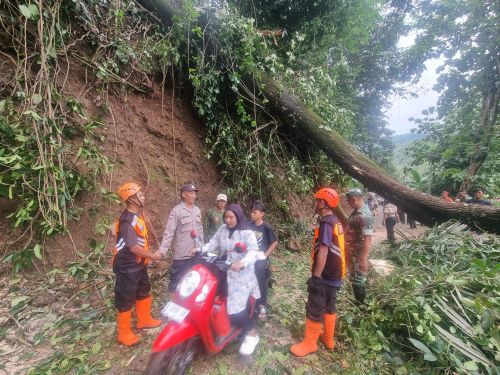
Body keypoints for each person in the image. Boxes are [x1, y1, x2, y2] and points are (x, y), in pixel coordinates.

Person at [199, 204, 261, 355]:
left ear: (238, 216)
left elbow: (253, 252)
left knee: (235, 309)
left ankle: (252, 334)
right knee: (211, 298)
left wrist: (243, 262)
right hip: (222, 270)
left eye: (231, 217)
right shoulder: (223, 229)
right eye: (226, 217)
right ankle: (218, 324)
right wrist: (201, 249)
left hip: (241, 276)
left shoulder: (246, 233)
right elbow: (213, 243)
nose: (227, 220)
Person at [290, 188, 345, 357]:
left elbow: (323, 251)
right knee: (330, 305)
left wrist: (316, 277)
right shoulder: (335, 220)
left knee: (315, 307)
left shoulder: (326, 223)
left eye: (317, 201)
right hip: (335, 276)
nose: (316, 204)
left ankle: (309, 344)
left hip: (325, 276)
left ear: (323, 203)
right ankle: (328, 339)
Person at [113, 182, 162, 346]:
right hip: (127, 266)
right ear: (132, 200)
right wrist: (152, 256)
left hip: (139, 264)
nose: (144, 197)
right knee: (126, 298)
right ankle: (124, 333)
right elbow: (133, 247)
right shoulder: (127, 221)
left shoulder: (137, 217)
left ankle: (144, 320)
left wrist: (146, 258)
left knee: (143, 291)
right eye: (140, 195)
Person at [158, 183, 204, 293]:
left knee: (194, 283)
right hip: (182, 255)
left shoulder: (197, 210)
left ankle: (189, 307)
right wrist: (162, 251)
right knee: (176, 284)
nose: (194, 196)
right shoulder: (176, 211)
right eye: (191, 193)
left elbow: (200, 231)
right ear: (184, 194)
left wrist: (202, 248)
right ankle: (173, 306)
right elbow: (169, 232)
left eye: (195, 193)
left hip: (196, 254)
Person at [249, 200, 278, 319]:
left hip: (261, 258)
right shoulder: (248, 225)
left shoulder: (266, 227)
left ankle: (262, 304)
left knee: (259, 273)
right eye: (251, 212)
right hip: (250, 256)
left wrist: (265, 255)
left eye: (255, 212)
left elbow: (274, 242)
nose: (252, 214)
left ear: (262, 214)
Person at [346, 188, 373, 305]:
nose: (348, 203)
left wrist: (363, 259)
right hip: (352, 252)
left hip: (359, 254)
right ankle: (357, 302)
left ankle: (361, 306)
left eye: (349, 201)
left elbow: (368, 238)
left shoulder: (365, 215)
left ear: (354, 199)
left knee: (359, 279)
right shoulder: (356, 212)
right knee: (353, 278)